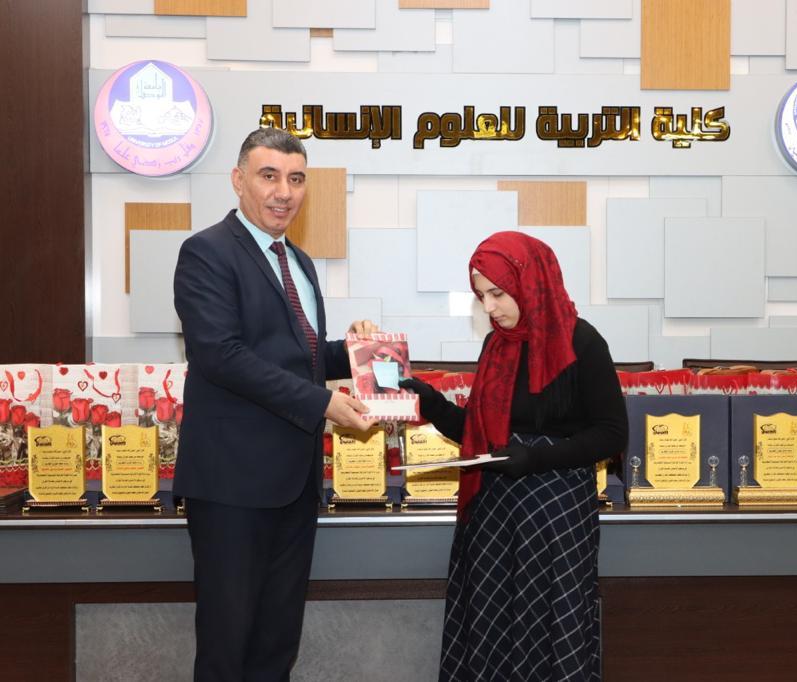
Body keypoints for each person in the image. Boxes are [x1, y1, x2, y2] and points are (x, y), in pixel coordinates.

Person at [173, 127, 378, 681]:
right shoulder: (207, 252)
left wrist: (357, 351)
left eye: (296, 178)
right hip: (232, 487)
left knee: (276, 642)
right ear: (238, 180)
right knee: (227, 645)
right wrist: (323, 404)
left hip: (294, 484)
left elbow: (299, 356)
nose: (284, 192)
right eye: (269, 176)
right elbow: (221, 356)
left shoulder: (300, 262)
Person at [400, 231, 628, 681]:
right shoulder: (497, 345)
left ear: (530, 282)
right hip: (496, 514)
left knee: (550, 630)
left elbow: (611, 433)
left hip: (556, 516)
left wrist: (535, 459)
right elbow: (478, 435)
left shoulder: (582, 341)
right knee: (492, 631)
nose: (489, 307)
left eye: (498, 293)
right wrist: (429, 402)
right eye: (481, 296)